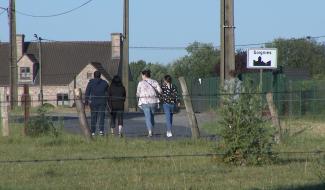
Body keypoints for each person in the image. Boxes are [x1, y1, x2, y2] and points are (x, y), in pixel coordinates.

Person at [136, 69, 162, 137]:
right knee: (152, 116)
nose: (141, 76)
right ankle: (152, 129)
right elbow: (160, 91)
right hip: (154, 101)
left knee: (148, 117)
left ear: (144, 75)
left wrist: (140, 94)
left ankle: (150, 132)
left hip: (145, 101)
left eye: (142, 75)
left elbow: (138, 94)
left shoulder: (140, 83)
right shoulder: (154, 81)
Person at [85, 71, 109, 136]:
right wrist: (107, 100)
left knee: (93, 116)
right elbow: (108, 93)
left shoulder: (90, 83)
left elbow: (87, 92)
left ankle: (93, 131)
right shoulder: (105, 83)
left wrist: (86, 101)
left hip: (93, 102)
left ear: (94, 76)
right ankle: (101, 131)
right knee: (101, 116)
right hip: (102, 102)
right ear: (100, 76)